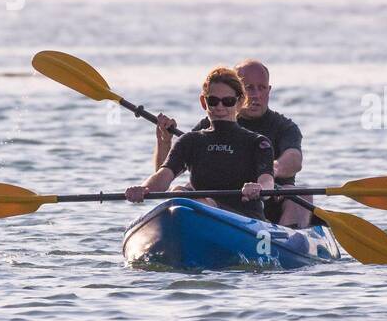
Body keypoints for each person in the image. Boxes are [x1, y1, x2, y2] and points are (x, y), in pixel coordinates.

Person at [150, 59, 310, 227]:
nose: (255, 94)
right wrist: (164, 143)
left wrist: (267, 171)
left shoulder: (284, 127)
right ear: (239, 91)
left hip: (268, 198)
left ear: (269, 90)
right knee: (180, 191)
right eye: (248, 87)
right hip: (217, 200)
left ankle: (285, 241)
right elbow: (164, 175)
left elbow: (294, 160)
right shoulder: (208, 126)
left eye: (261, 88)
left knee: (301, 194)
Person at [125, 67, 274, 219]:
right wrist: (143, 188)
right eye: (213, 101)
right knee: (178, 192)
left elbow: (267, 181)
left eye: (228, 101)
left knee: (186, 198)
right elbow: (163, 176)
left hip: (245, 218)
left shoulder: (258, 143)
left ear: (240, 101)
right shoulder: (190, 141)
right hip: (200, 212)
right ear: (204, 102)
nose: (219, 107)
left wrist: (259, 188)